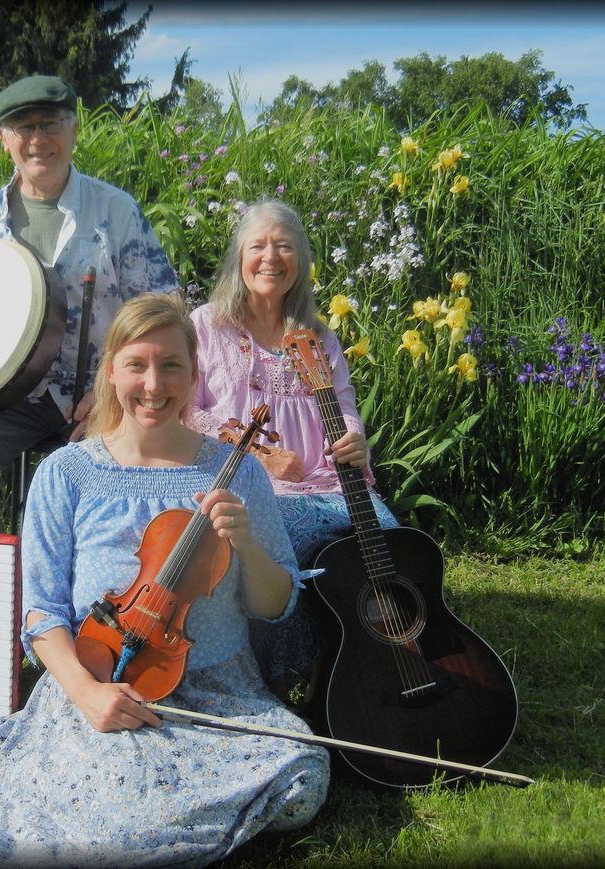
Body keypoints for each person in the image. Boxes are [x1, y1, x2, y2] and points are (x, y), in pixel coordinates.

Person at [0, 294, 329, 867]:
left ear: (194, 373)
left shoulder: (238, 471)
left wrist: (246, 544)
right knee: (113, 796)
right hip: (102, 675)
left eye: (172, 365)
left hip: (219, 693)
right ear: (111, 371)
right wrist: (88, 694)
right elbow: (43, 611)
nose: (154, 384)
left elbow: (275, 606)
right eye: (137, 364)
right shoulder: (67, 473)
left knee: (303, 782)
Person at [0, 74, 179, 535]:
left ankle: (100, 587)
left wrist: (112, 390)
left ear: (74, 129)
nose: (38, 140)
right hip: (9, 399)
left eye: (50, 124)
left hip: (101, 396)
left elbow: (164, 309)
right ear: (4, 139)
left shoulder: (115, 210)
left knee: (114, 482)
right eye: (24, 128)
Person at [186, 198, 399, 699]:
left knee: (388, 539)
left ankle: (366, 663)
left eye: (283, 245)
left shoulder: (316, 335)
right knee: (286, 535)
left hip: (326, 480)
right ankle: (275, 675)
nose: (270, 257)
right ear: (239, 257)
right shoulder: (207, 326)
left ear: (300, 260)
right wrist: (256, 455)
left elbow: (343, 403)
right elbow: (187, 410)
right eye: (258, 245)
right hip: (242, 478)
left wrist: (352, 435)